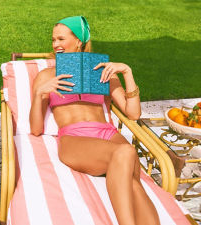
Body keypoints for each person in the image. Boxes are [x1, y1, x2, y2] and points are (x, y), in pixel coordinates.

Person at [29, 16, 160, 225]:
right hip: (73, 138)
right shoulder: (46, 76)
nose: (55, 45)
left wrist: (127, 72)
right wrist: (39, 95)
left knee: (133, 180)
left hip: (107, 133)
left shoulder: (101, 71)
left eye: (61, 39)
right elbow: (35, 129)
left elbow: (133, 113)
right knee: (126, 152)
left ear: (79, 41)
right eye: (53, 40)